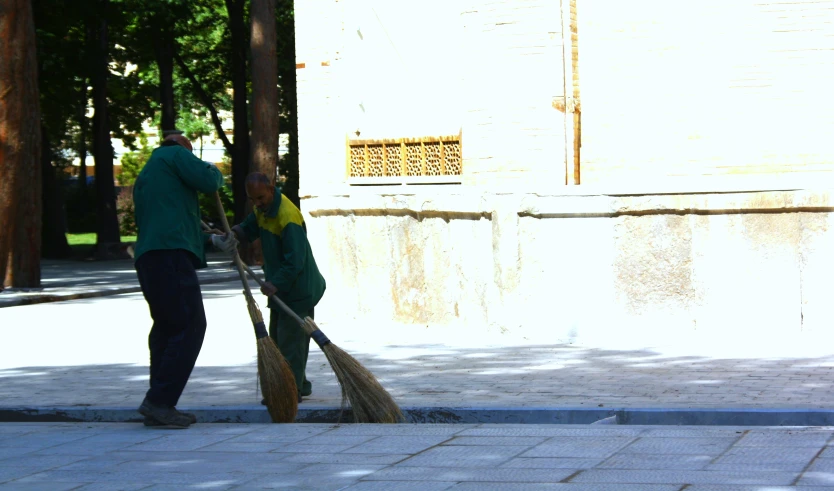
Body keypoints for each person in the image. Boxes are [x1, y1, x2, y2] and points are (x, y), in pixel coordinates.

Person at [132, 133, 238, 428]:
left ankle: (157, 402)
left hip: (150, 256)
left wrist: (213, 241)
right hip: (169, 257)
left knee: (167, 328)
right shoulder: (175, 155)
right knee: (190, 324)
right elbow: (209, 181)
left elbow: (174, 222)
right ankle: (160, 401)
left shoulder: (150, 173)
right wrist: (212, 169)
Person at [231, 172, 326, 403]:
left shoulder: (287, 216)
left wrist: (276, 282)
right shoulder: (263, 209)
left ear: (271, 189)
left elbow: (295, 260)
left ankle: (289, 392)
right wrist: (232, 235)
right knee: (279, 338)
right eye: (253, 200)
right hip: (282, 288)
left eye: (261, 198)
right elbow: (248, 228)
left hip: (299, 288)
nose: (257, 204)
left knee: (290, 342)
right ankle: (298, 385)